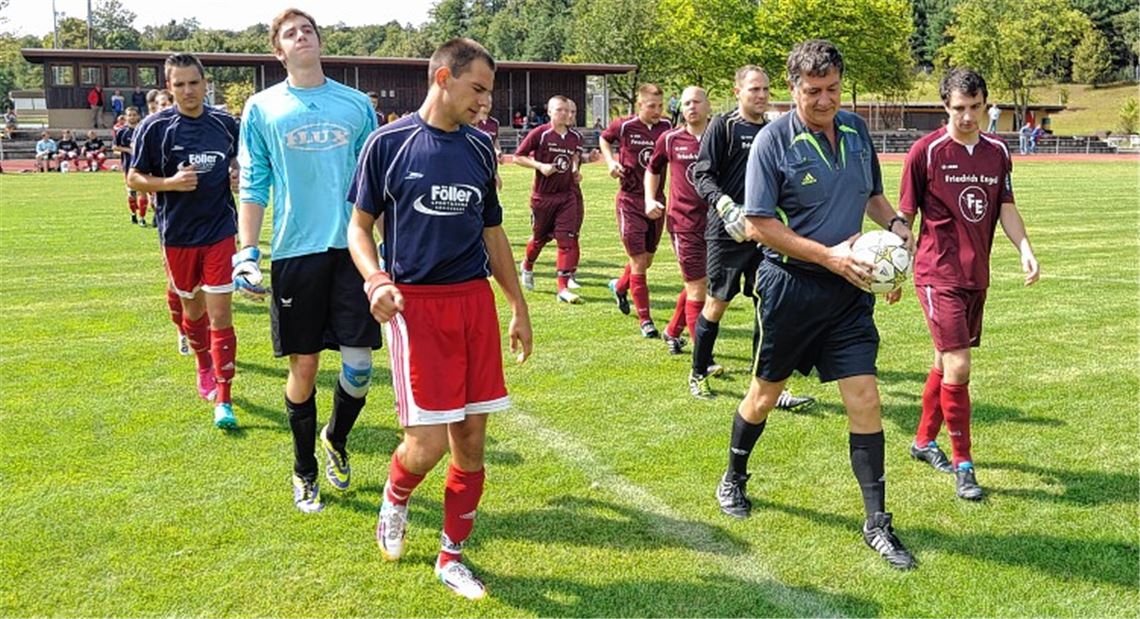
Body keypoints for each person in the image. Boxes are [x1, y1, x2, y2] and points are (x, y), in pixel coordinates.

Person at [347, 37, 532, 601]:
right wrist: (375, 280)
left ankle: (451, 556)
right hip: (415, 308)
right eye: (477, 89)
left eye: (489, 92)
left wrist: (517, 305)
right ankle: (396, 498)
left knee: (471, 442)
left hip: (472, 302)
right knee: (425, 445)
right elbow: (358, 228)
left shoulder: (480, 148)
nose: (484, 103)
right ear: (443, 77)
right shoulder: (388, 143)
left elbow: (492, 232)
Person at [722, 39, 918, 570]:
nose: (825, 100)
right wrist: (830, 257)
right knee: (763, 397)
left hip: (850, 292)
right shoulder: (771, 142)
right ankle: (735, 474)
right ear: (793, 88)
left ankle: (877, 523)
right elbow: (760, 225)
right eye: (813, 91)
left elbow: (872, 196)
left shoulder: (856, 131)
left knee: (865, 400)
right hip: (790, 289)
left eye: (832, 89)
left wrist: (896, 234)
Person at [236, 8, 380, 513]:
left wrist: (391, 251)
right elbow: (254, 184)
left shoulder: (356, 104)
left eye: (308, 31)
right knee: (305, 365)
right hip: (296, 253)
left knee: (359, 367)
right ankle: (304, 472)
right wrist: (247, 252)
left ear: (320, 42)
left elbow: (373, 186)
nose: (301, 38)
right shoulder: (261, 108)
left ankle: (336, 437)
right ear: (279, 51)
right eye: (290, 34)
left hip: (353, 252)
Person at [900, 68, 1040, 501]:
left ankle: (923, 442)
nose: (966, 117)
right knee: (959, 365)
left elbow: (1006, 208)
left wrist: (1024, 248)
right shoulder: (925, 152)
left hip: (976, 274)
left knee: (944, 363)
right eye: (958, 108)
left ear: (984, 105)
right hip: (936, 272)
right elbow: (904, 219)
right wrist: (896, 268)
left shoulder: (998, 152)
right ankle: (964, 463)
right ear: (946, 106)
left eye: (974, 108)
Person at [687, 65, 814, 411]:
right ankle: (698, 372)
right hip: (726, 233)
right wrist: (725, 204)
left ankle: (771, 387)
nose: (761, 95)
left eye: (765, 89)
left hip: (765, 231)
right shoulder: (722, 126)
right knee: (717, 305)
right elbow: (702, 174)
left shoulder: (774, 130)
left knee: (769, 308)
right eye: (754, 89)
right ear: (738, 91)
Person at [127, 53, 241, 430]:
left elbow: (242, 162)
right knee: (193, 311)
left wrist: (238, 172)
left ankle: (224, 397)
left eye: (194, 83)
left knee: (221, 313)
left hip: (220, 230)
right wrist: (169, 184)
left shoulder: (225, 124)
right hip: (177, 235)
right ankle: (203, 364)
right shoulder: (154, 128)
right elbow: (134, 178)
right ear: (169, 87)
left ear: (205, 83)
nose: (188, 91)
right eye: (179, 85)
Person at [600, 83, 672, 338]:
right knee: (639, 261)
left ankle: (620, 287)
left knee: (647, 259)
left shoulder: (667, 129)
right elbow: (604, 139)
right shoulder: (625, 126)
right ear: (640, 105)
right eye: (651, 106)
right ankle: (646, 320)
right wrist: (610, 161)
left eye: (660, 106)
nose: (657, 110)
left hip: (657, 201)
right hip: (630, 201)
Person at [644, 85, 710, 354]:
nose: (691, 107)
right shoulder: (670, 139)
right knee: (698, 288)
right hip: (683, 223)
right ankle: (702, 357)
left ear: (708, 105)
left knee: (702, 284)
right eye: (685, 103)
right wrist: (650, 198)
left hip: (717, 223)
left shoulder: (720, 138)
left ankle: (672, 331)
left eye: (696, 102)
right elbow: (653, 169)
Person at [515, 95, 585, 304]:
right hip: (543, 197)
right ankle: (527, 265)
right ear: (550, 112)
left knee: (567, 240)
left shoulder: (575, 137)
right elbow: (519, 156)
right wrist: (540, 166)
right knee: (539, 240)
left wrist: (574, 170)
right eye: (560, 110)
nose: (565, 114)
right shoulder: (541, 134)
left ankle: (562, 288)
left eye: (567, 110)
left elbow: (574, 156)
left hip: (566, 197)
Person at [112, 106, 149, 226]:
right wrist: (128, 150)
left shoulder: (144, 129)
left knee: (142, 191)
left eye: (134, 115)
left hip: (143, 165)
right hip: (128, 166)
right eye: (130, 115)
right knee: (131, 193)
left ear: (138, 116)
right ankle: (133, 214)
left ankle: (142, 218)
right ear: (126, 117)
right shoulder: (122, 131)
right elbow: (114, 147)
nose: (132, 117)